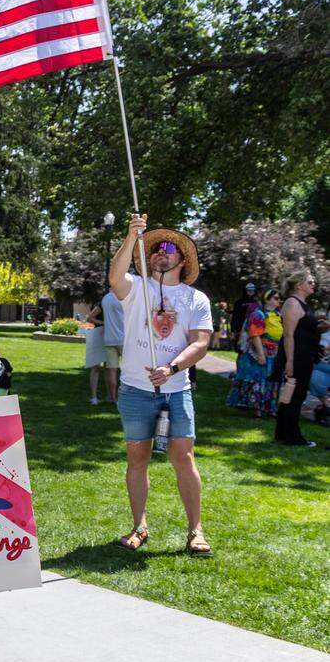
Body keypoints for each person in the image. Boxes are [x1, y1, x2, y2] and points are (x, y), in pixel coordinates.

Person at [109, 215, 214, 558]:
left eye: (167, 248)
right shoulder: (137, 288)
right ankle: (139, 526)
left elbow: (200, 343)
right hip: (135, 389)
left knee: (183, 458)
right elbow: (114, 277)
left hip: (176, 389)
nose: (159, 253)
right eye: (153, 249)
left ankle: (195, 530)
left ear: (182, 260)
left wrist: (171, 367)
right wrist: (131, 236)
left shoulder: (195, 298)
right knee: (137, 458)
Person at [273, 269, 320, 447]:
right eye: (310, 282)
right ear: (299, 285)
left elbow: (304, 329)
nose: (313, 284)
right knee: (294, 396)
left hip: (305, 355)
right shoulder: (292, 304)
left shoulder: (302, 303)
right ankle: (293, 437)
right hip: (297, 356)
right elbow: (289, 336)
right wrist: (290, 362)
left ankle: (282, 434)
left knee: (293, 396)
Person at [227, 289, 282, 417]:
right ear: (267, 299)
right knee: (259, 380)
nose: (278, 300)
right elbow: (255, 335)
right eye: (275, 298)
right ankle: (258, 409)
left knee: (270, 382)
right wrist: (261, 354)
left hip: (274, 353)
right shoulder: (258, 314)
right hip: (259, 352)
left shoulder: (278, 315)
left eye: (279, 298)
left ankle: (269, 408)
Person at [101, 289, 124, 404]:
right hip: (125, 339)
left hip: (109, 339)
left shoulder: (105, 299)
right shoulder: (123, 297)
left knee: (111, 370)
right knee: (128, 371)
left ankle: (112, 398)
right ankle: (125, 397)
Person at [84, 302, 107, 405]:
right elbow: (89, 318)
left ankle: (111, 396)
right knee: (96, 367)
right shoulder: (103, 302)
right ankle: (94, 397)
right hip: (98, 334)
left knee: (110, 368)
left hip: (112, 335)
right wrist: (104, 323)